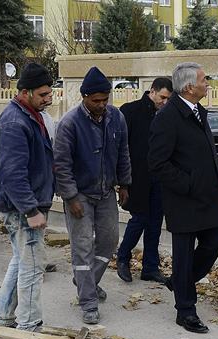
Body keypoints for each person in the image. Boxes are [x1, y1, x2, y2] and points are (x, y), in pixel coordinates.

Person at [148, 62, 218, 334]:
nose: (208, 84)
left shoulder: (197, 111)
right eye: (205, 80)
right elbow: (157, 163)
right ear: (189, 87)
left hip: (206, 196)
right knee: (182, 255)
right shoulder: (168, 117)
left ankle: (180, 282)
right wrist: (188, 183)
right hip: (184, 198)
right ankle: (186, 311)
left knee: (214, 243)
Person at [53, 66, 132, 325]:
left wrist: (124, 184)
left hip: (106, 191)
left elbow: (123, 154)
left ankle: (85, 280)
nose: (101, 105)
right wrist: (71, 197)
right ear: (84, 97)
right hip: (80, 195)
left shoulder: (116, 118)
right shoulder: (69, 124)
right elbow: (61, 165)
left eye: (105, 100)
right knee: (83, 246)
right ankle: (88, 301)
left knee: (109, 240)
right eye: (96, 100)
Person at [0, 63, 56, 335]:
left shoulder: (28, 115)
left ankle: (2, 317)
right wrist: (31, 210)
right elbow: (13, 175)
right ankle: (29, 325)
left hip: (24, 204)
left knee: (21, 261)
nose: (48, 98)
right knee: (33, 266)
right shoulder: (16, 123)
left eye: (50, 93)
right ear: (25, 92)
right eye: (42, 94)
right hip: (22, 208)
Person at [116, 77, 174, 284]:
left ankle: (150, 267)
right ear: (152, 91)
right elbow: (120, 146)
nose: (165, 102)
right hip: (137, 177)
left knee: (155, 223)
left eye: (168, 99)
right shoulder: (130, 111)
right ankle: (122, 257)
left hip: (159, 178)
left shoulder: (168, 115)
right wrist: (122, 180)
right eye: (162, 97)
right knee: (139, 219)